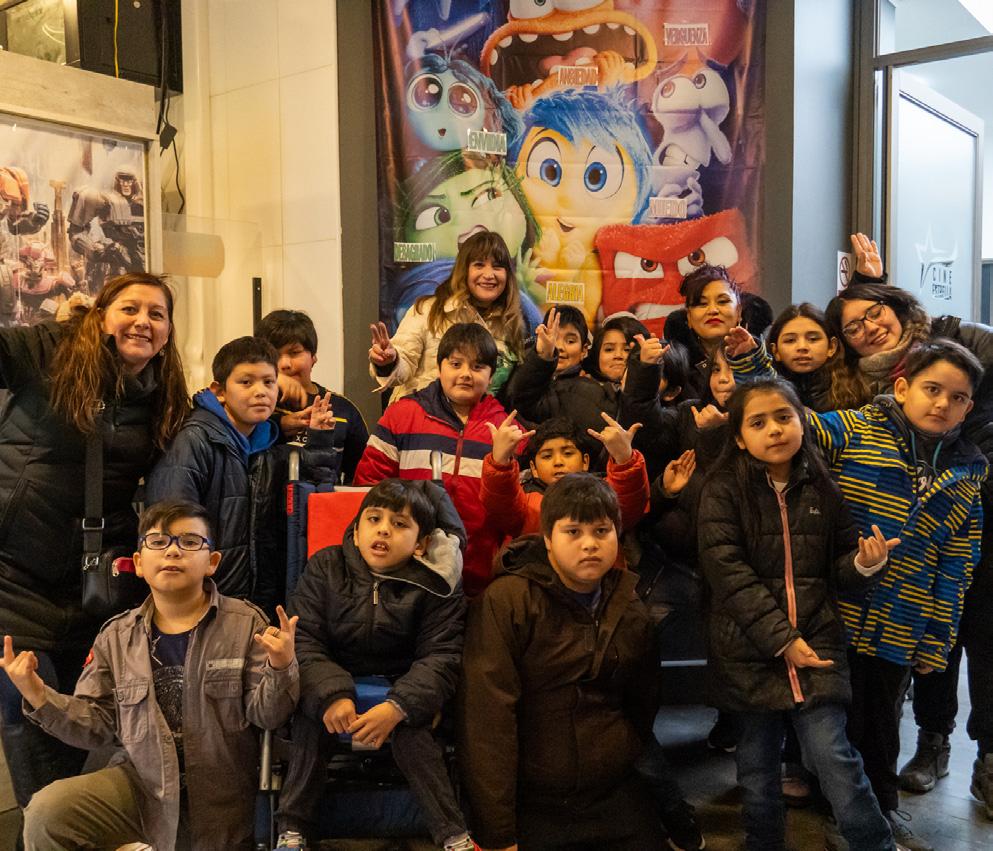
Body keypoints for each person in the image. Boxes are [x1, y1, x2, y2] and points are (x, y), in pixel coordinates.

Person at [1, 499, 299, 851]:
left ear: (212, 562)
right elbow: (96, 726)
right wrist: (37, 694)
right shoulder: (115, 636)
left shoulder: (246, 624)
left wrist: (281, 665)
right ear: (139, 563)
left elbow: (269, 715)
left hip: (221, 795)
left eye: (190, 541)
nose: (172, 551)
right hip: (143, 786)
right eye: (158, 541)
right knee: (47, 812)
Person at [0, 272, 189, 813]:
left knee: (78, 722)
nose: (143, 322)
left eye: (156, 314)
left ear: (168, 333)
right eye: (130, 308)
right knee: (25, 711)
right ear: (101, 315)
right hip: (14, 576)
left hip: (94, 587)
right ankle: (50, 831)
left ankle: (52, 832)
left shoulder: (164, 394)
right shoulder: (51, 351)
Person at [795, 338, 989, 851]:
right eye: (932, 389)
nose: (942, 403)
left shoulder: (967, 473)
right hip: (836, 610)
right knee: (832, 724)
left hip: (901, 621)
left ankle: (880, 811)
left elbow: (956, 566)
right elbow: (788, 418)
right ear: (902, 388)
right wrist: (750, 362)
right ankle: (841, 811)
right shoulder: (856, 428)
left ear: (969, 406)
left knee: (882, 726)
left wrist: (937, 639)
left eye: (957, 397)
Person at [698, 377, 895, 851]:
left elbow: (839, 568)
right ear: (739, 437)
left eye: (784, 417)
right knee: (757, 770)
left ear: (802, 422)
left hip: (818, 642)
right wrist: (782, 639)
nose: (775, 429)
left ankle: (875, 844)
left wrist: (864, 564)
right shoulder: (722, 490)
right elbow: (729, 575)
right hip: (749, 650)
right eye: (758, 422)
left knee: (834, 757)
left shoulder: (823, 486)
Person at [458, 474, 663, 850]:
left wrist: (622, 750)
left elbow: (643, 701)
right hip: (532, 800)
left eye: (601, 531)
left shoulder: (629, 606)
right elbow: (487, 721)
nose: (590, 544)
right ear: (548, 539)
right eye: (573, 532)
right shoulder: (508, 601)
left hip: (612, 791)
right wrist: (498, 832)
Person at [274, 479, 473, 851]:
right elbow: (305, 641)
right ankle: (292, 829)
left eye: (399, 524)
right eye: (374, 519)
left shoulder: (438, 584)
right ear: (356, 529)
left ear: (421, 544)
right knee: (310, 718)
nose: (383, 530)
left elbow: (442, 656)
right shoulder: (325, 566)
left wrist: (399, 706)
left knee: (415, 732)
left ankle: (452, 834)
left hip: (403, 683)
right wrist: (332, 695)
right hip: (334, 675)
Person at [145, 336, 337, 615]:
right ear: (219, 391)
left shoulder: (267, 443)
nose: (261, 392)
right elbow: (171, 527)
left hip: (257, 603)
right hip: (203, 602)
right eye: (246, 382)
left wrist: (319, 439)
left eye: (269, 382)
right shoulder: (194, 442)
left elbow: (315, 499)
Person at [355, 322, 522, 596]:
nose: (465, 374)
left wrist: (502, 463)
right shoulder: (402, 415)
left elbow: (513, 515)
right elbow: (368, 488)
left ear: (492, 376)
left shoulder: (506, 430)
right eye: (456, 364)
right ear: (439, 367)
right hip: (404, 573)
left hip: (479, 577)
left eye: (478, 367)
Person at [368, 230, 526, 402]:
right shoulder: (428, 310)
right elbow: (403, 363)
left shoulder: (512, 324)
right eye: (479, 265)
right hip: (420, 415)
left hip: (478, 418)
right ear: (464, 270)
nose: (489, 275)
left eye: (497, 266)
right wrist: (389, 362)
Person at [479, 414, 649, 540]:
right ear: (533, 468)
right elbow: (500, 505)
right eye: (547, 456)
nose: (558, 462)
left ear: (585, 461)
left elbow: (628, 510)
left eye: (568, 453)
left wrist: (624, 459)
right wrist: (500, 460)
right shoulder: (524, 503)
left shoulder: (605, 495)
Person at [255, 308, 369, 484]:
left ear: (313, 357)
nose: (284, 364)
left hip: (324, 499)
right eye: (274, 355)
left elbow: (361, 477)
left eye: (294, 353)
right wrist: (270, 382)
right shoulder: (254, 403)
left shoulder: (343, 409)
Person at [726, 303, 840, 412]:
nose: (802, 347)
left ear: (832, 347)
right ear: (776, 351)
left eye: (813, 339)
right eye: (790, 340)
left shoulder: (848, 389)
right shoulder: (768, 380)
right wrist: (749, 360)